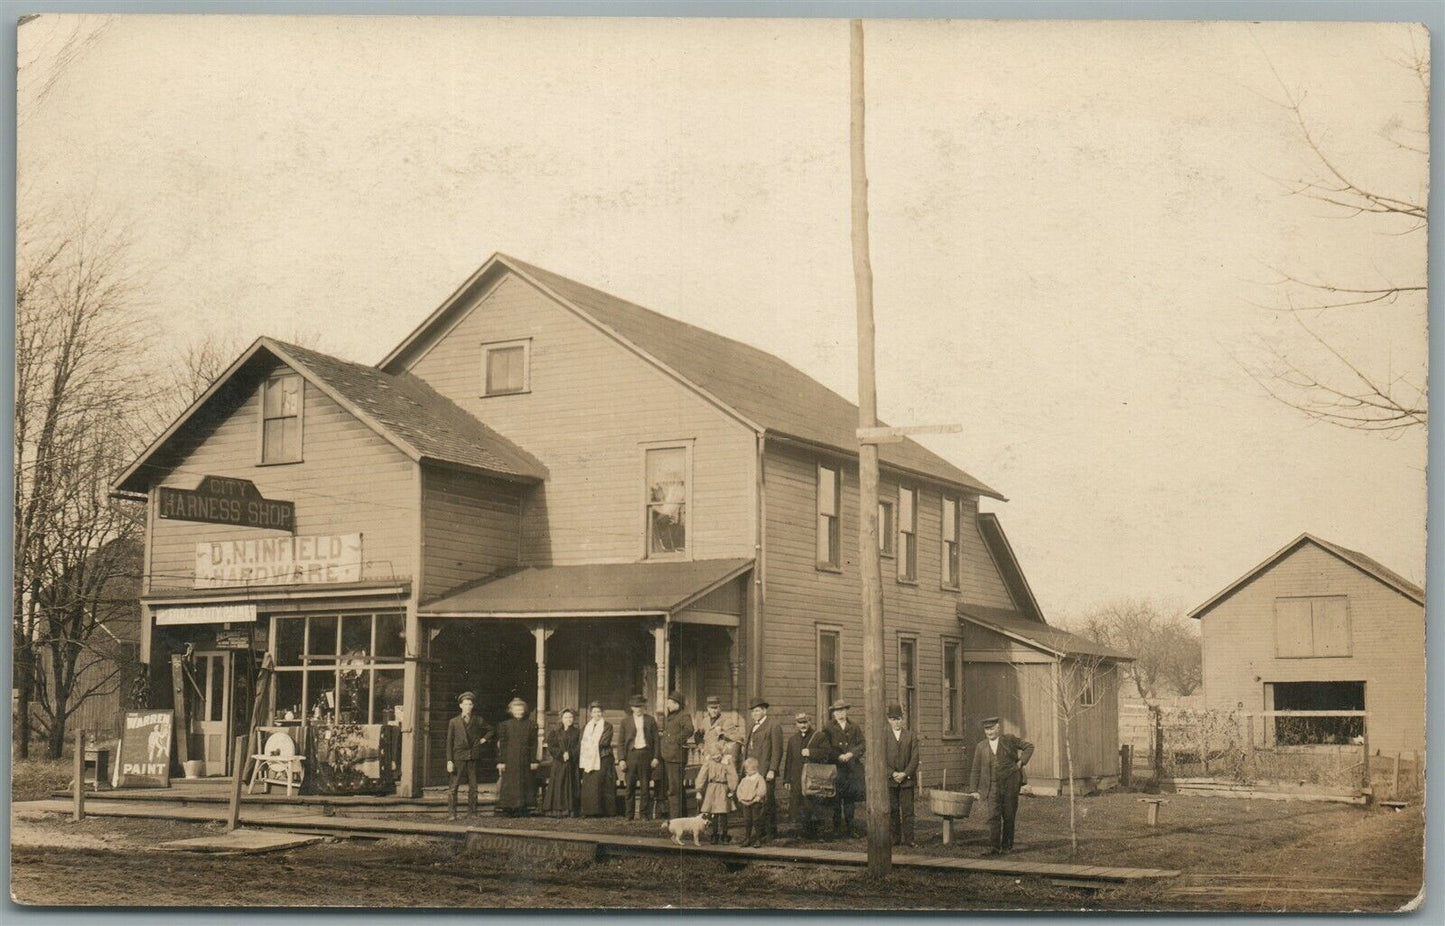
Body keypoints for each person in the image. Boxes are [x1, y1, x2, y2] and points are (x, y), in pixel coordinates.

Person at [967, 716, 1034, 855]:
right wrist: (973, 789)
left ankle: (1007, 846)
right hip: (991, 788)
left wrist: (1021, 763)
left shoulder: (1009, 740)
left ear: (998, 728)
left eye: (991, 729)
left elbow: (1029, 747)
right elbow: (975, 769)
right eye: (986, 729)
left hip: (1010, 785)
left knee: (1009, 816)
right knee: (993, 817)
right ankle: (994, 847)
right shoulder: (981, 746)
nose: (989, 732)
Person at [444, 691, 492, 820]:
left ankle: (472, 813)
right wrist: (449, 760)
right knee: (453, 786)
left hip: (473, 756)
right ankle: (452, 813)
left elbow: (491, 730)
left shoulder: (478, 720)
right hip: (458, 756)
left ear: (473, 706)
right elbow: (449, 742)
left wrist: (483, 740)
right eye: (465, 704)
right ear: (460, 706)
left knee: (473, 786)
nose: (468, 707)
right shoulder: (453, 722)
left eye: (470, 704)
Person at [781, 711, 829, 838]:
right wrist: (787, 780)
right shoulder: (793, 740)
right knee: (799, 804)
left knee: (814, 803)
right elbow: (789, 760)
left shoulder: (819, 736)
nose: (803, 725)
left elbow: (826, 753)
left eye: (805, 722)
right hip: (796, 777)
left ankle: (818, 833)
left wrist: (811, 752)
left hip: (813, 777)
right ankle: (803, 831)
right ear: (796, 724)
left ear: (810, 722)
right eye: (800, 723)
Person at [742, 697, 784, 842]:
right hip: (751, 771)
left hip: (765, 770)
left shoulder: (773, 725)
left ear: (764, 711)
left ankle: (771, 832)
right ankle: (759, 832)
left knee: (767, 801)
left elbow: (777, 750)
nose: (755, 714)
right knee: (753, 802)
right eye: (753, 711)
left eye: (757, 710)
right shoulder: (751, 726)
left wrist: (773, 769)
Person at [824, 699, 866, 838]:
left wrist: (851, 754)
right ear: (833, 713)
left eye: (842, 710)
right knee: (835, 798)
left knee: (850, 799)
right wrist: (838, 756)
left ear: (846, 711)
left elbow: (861, 744)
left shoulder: (854, 726)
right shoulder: (828, 727)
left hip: (851, 768)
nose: (840, 713)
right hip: (836, 768)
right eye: (837, 711)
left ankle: (850, 828)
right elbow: (825, 746)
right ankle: (836, 828)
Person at [494, 697, 538, 817]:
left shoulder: (531, 725)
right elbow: (502, 744)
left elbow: (534, 744)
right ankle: (509, 808)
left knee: (524, 782)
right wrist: (501, 761)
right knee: (510, 782)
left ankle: (522, 808)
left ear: (524, 710)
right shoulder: (505, 725)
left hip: (525, 758)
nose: (519, 712)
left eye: (521, 709)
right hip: (510, 758)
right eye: (516, 710)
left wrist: (533, 760)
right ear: (511, 711)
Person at [883, 702, 920, 847]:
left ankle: (909, 839)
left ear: (902, 719)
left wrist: (905, 773)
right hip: (891, 779)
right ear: (888, 720)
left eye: (899, 719)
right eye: (893, 719)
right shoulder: (884, 737)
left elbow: (915, 758)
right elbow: (881, 759)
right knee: (893, 810)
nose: (896, 722)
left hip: (907, 780)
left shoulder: (910, 736)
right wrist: (892, 773)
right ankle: (895, 838)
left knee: (908, 810)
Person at [618, 694, 660, 820]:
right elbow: (620, 742)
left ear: (644, 707)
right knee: (629, 787)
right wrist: (621, 759)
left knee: (645, 787)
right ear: (632, 708)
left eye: (641, 706)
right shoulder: (625, 721)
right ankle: (629, 814)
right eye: (636, 707)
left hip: (645, 755)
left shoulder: (650, 720)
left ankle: (644, 814)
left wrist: (656, 757)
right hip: (631, 755)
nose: (639, 709)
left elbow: (656, 740)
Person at [695, 737, 739, 844]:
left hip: (723, 789)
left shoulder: (726, 762)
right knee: (713, 813)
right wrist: (699, 790)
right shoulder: (709, 762)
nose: (716, 758)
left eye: (718, 755)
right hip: (711, 788)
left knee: (723, 813)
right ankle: (714, 834)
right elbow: (702, 775)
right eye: (713, 756)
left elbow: (732, 775)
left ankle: (724, 834)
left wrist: (732, 789)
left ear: (722, 753)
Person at [578, 701, 617, 817]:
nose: (597, 714)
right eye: (594, 712)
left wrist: (589, 745)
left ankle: (602, 811)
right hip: (588, 759)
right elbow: (582, 741)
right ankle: (588, 811)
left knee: (601, 785)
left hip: (603, 758)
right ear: (591, 713)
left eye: (599, 712)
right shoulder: (586, 727)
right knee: (589, 784)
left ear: (602, 713)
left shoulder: (607, 726)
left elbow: (604, 742)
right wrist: (589, 746)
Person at [660, 691, 695, 819]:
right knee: (677, 787)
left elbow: (689, 730)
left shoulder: (683, 715)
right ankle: (682, 815)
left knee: (674, 789)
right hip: (669, 756)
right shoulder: (672, 716)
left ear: (678, 704)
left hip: (676, 757)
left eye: (670, 703)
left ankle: (675, 818)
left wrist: (676, 740)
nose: (668, 705)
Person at [542, 707, 581, 817]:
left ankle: (571, 810)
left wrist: (571, 754)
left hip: (572, 763)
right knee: (559, 784)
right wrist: (561, 754)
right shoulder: (555, 732)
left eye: (571, 717)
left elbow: (580, 746)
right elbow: (551, 746)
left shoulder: (577, 732)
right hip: (559, 763)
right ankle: (557, 810)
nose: (569, 719)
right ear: (562, 719)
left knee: (571, 784)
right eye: (566, 717)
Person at [736, 757, 768, 847]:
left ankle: (758, 839)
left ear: (755, 769)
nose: (747, 771)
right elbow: (739, 790)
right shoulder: (744, 780)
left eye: (749, 769)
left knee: (756, 820)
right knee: (747, 820)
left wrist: (757, 798)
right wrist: (740, 798)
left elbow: (762, 790)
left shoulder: (759, 778)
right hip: (745, 803)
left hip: (755, 803)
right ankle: (747, 838)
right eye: (746, 769)